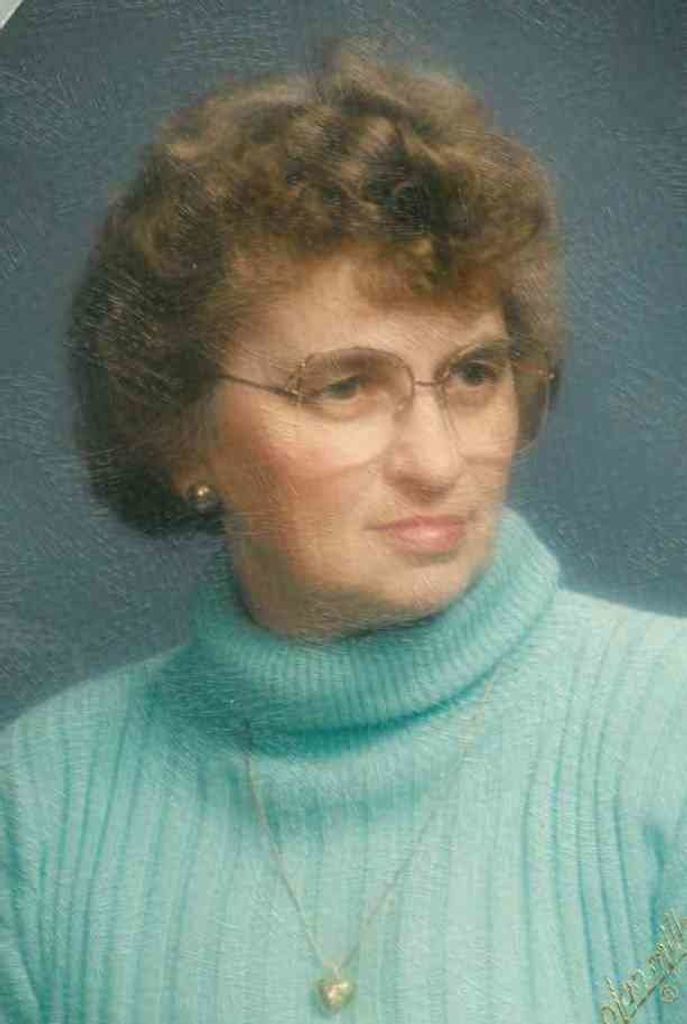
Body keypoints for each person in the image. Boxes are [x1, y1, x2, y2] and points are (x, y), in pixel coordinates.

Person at [2, 41, 686, 1024]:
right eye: (345, 386)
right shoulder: (39, 805)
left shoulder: (669, 727)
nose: (436, 462)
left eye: (473, 374)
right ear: (180, 430)